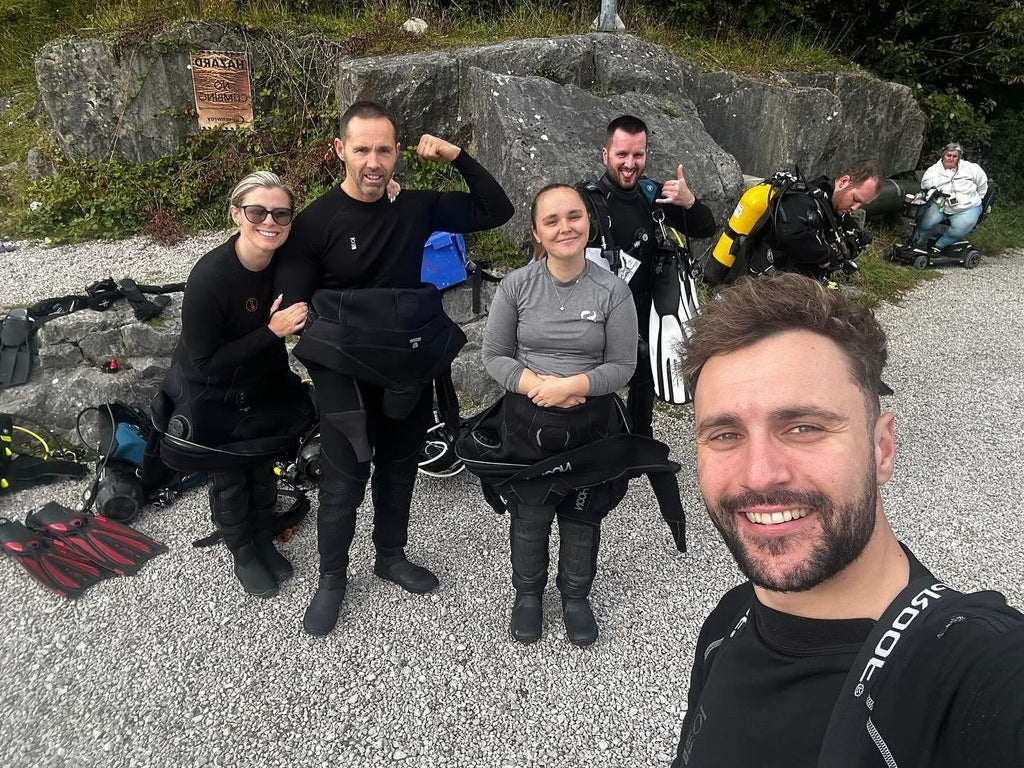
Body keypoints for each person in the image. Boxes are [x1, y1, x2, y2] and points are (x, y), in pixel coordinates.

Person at [671, 274, 1024, 767]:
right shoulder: (729, 621)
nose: (759, 475)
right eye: (726, 435)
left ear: (882, 448)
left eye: (803, 427)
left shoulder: (977, 673)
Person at [274, 100, 514, 636]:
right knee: (343, 478)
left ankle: (389, 556)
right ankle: (332, 578)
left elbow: (497, 210)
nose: (374, 161)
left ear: (398, 152)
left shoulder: (416, 207)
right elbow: (292, 302)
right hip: (345, 370)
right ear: (340, 150)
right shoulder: (316, 223)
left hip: (406, 359)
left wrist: (457, 156)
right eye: (362, 149)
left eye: (384, 149)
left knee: (401, 463)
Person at [474, 183, 647, 646]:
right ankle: (527, 595)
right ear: (536, 231)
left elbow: (623, 366)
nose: (565, 227)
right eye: (552, 221)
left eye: (574, 216)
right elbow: (494, 355)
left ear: (588, 221)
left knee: (582, 514)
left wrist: (572, 386)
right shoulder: (517, 286)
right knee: (529, 515)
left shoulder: (613, 291)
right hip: (528, 423)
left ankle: (575, 596)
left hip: (591, 424)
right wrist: (538, 387)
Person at [157, 171, 315, 598]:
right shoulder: (210, 277)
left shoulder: (283, 256)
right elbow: (205, 363)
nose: (269, 220)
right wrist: (271, 331)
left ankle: (262, 535)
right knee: (230, 479)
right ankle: (242, 550)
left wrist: (389, 194)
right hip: (212, 393)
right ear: (236, 214)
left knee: (264, 469)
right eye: (257, 211)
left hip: (263, 386)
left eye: (280, 213)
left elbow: (332, 222)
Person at [581, 115, 717, 441]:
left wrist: (690, 203)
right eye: (622, 155)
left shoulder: (650, 193)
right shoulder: (586, 201)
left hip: (645, 310)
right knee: (594, 384)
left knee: (643, 382)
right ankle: (592, 443)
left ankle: (639, 442)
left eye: (637, 155)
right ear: (605, 155)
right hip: (599, 313)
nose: (630, 164)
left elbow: (705, 227)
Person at [744, 160, 883, 280]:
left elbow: (853, 235)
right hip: (767, 285)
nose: (855, 207)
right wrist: (827, 254)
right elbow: (791, 235)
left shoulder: (836, 209)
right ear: (844, 182)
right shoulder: (803, 201)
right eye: (855, 199)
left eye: (862, 204)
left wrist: (844, 249)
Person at [914, 142, 989, 250]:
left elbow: (982, 185)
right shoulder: (934, 170)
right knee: (926, 223)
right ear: (943, 155)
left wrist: (977, 199)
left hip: (967, 206)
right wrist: (947, 176)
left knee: (960, 227)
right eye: (948, 155)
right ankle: (915, 243)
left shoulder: (972, 168)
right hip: (941, 204)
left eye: (955, 156)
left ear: (959, 157)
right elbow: (925, 184)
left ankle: (938, 246)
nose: (951, 158)